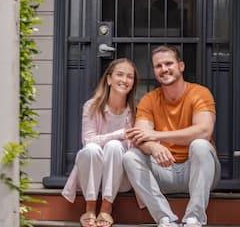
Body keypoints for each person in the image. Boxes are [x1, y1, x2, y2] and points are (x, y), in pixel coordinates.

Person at [123, 45, 218, 227]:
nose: (164, 69)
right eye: (158, 66)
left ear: (181, 66)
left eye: (169, 63)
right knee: (130, 156)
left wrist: (158, 135)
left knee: (200, 145)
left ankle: (194, 219)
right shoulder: (149, 99)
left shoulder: (199, 93)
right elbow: (140, 136)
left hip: (198, 171)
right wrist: (154, 146)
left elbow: (204, 131)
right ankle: (166, 219)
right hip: (164, 170)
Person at [61, 58, 139, 227]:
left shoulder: (135, 111)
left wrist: (118, 139)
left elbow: (133, 148)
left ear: (133, 83)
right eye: (120, 75)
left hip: (119, 178)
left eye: (129, 77)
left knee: (115, 146)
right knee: (91, 149)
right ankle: (90, 208)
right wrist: (120, 134)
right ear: (109, 79)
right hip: (91, 175)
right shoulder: (92, 106)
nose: (124, 80)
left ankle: (106, 208)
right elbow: (88, 140)